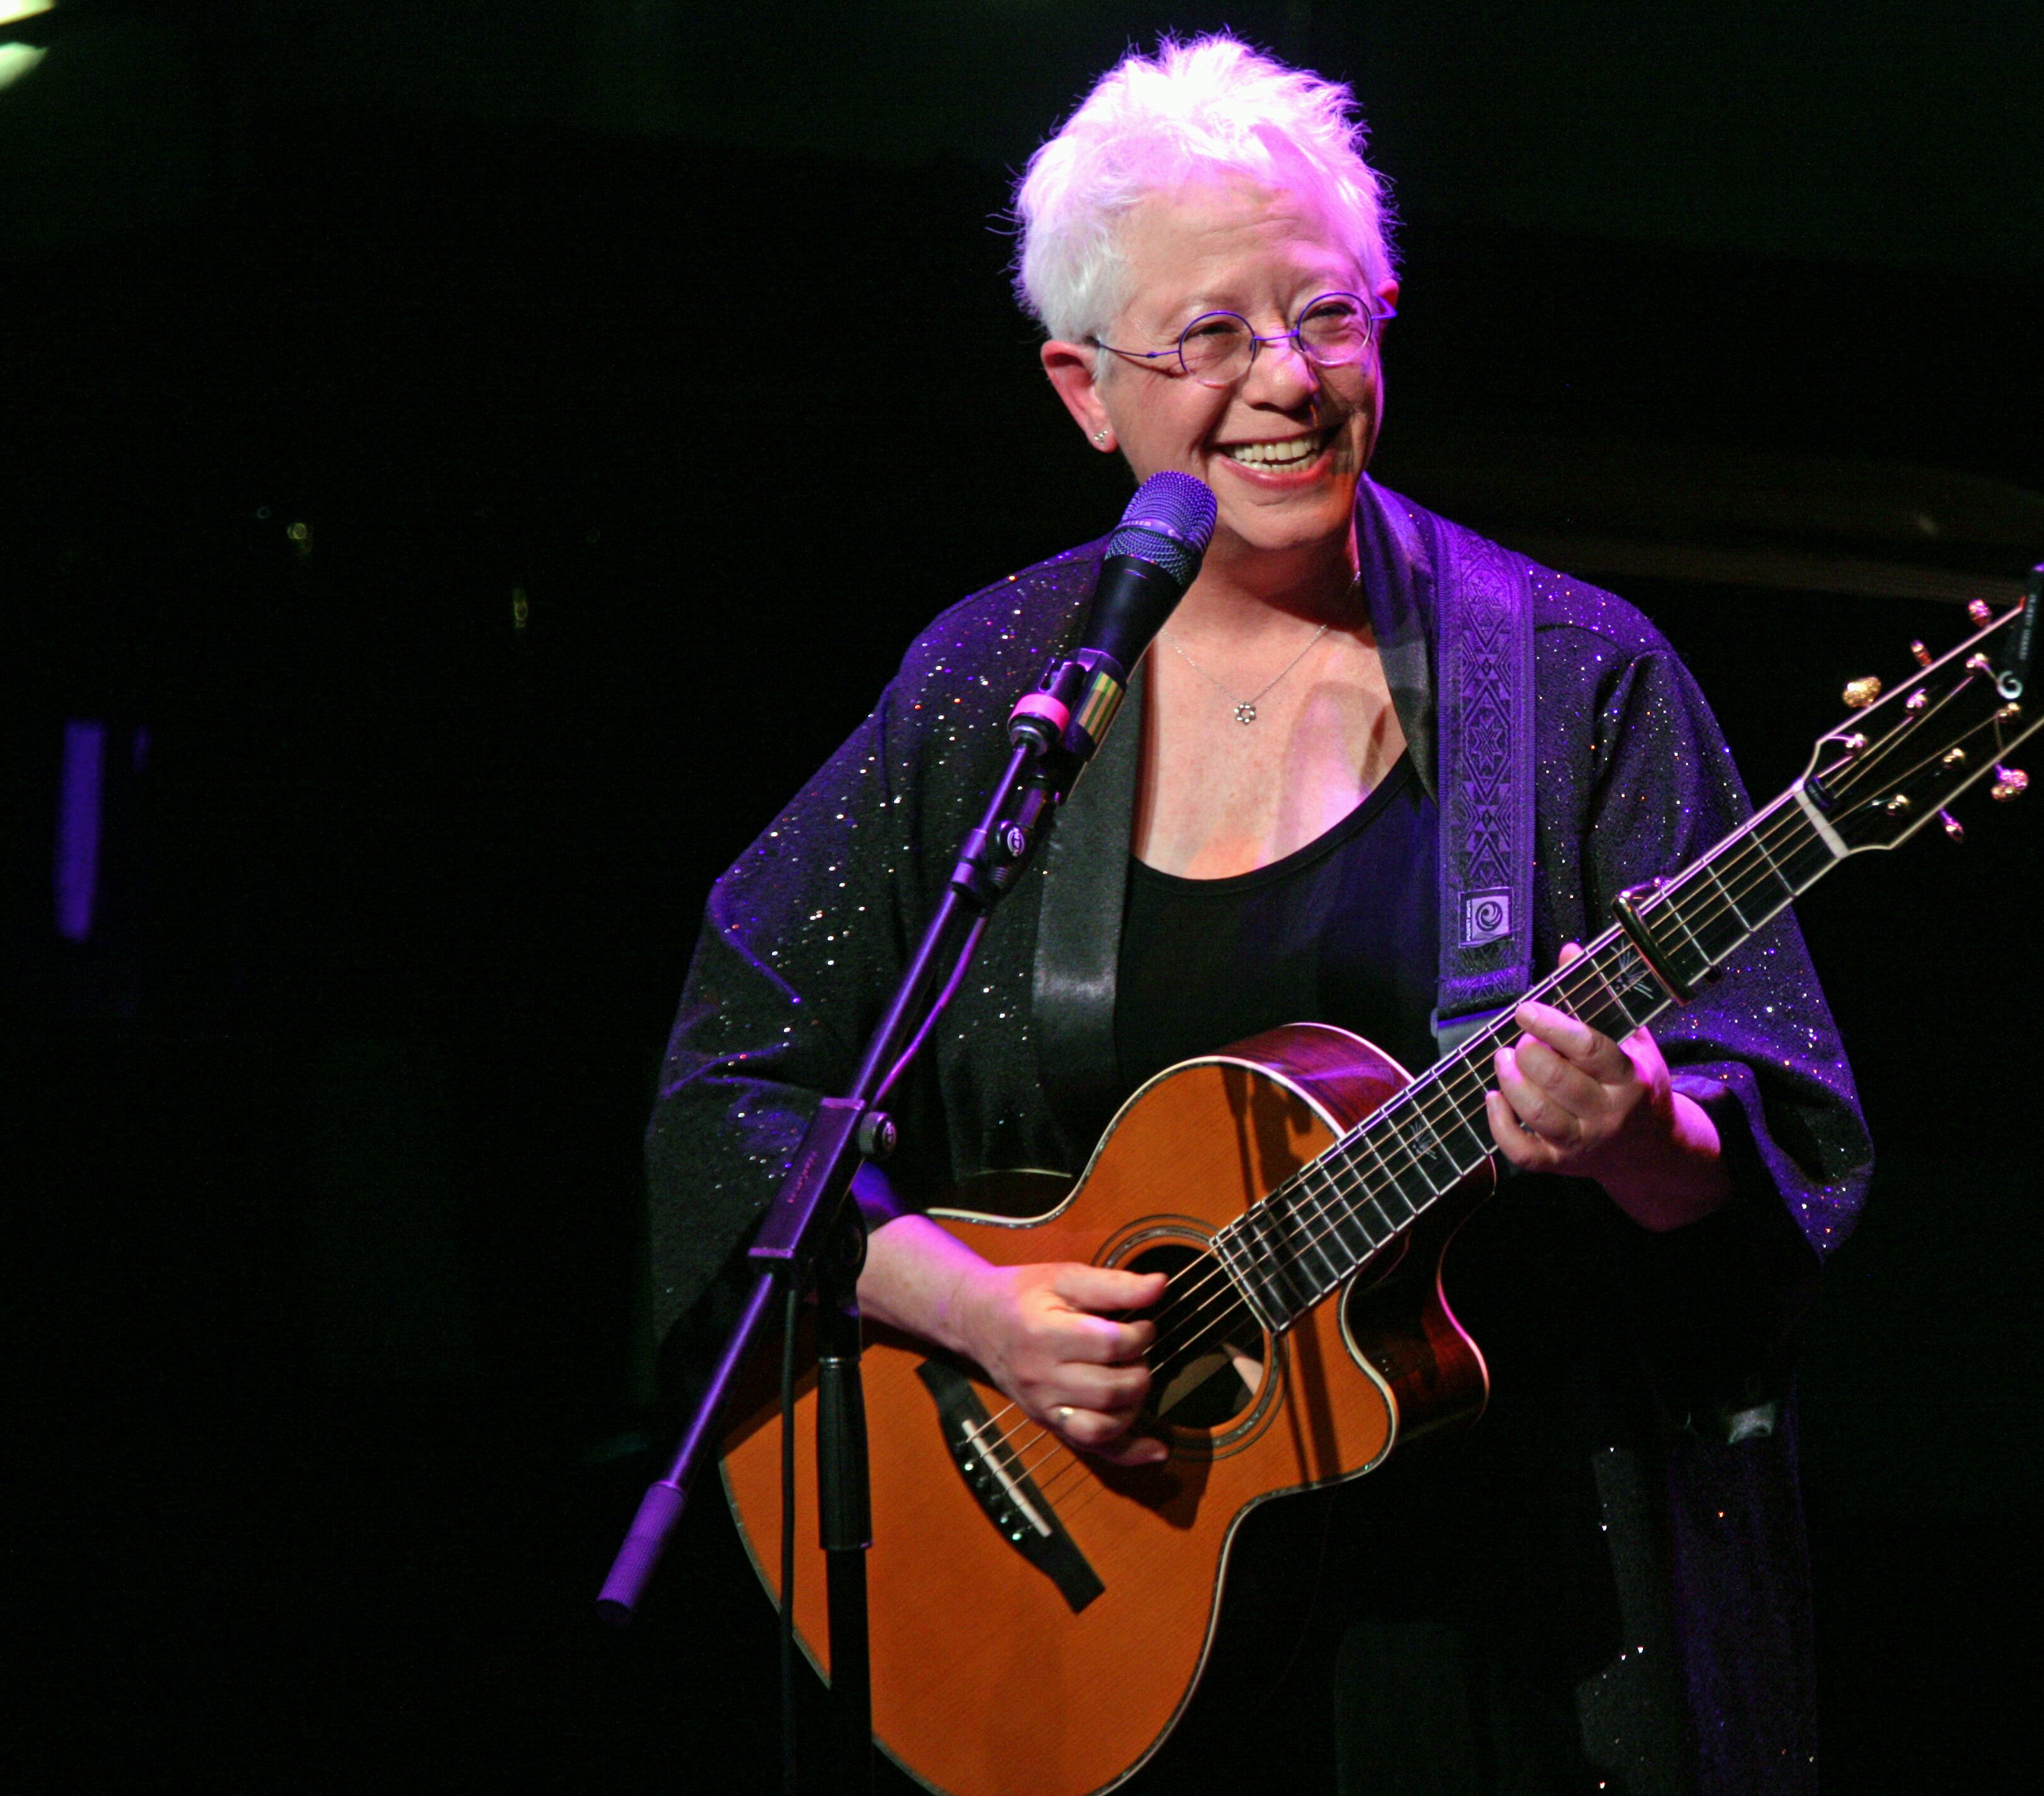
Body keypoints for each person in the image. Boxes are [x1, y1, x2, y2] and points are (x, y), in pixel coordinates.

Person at [648, 36, 1871, 1796]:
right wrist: (980, 1313)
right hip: (1090, 1619)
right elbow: (730, 1099)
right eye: (1208, 337)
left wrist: (1640, 1132)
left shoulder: (1578, 685)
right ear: (1085, 389)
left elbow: (1775, 1160)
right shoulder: (995, 688)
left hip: (1484, 1649)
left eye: (1328, 316)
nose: (1284, 382)